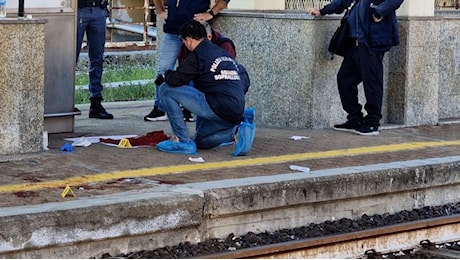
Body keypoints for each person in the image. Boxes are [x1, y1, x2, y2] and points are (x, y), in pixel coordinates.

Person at [155, 20, 255, 156]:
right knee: (200, 142)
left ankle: (183, 142)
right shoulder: (222, 53)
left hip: (217, 105)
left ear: (189, 40)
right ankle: (239, 129)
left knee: (165, 90)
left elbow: (176, 79)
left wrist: (164, 75)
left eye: (184, 42)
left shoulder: (198, 55)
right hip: (235, 111)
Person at [308, 0, 403, 135]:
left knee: (372, 82)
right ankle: (354, 118)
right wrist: (322, 11)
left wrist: (379, 11)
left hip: (371, 41)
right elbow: (342, 2)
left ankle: (372, 122)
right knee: (344, 79)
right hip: (354, 42)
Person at [144, 0, 231, 122]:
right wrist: (161, 11)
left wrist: (211, 13)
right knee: (164, 68)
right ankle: (160, 108)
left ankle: (189, 109)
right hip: (172, 31)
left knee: (192, 69)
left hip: (194, 31)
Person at [76, 0, 113, 119]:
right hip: (78, 9)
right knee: (70, 57)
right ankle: (65, 102)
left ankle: (96, 102)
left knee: (97, 58)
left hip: (98, 8)